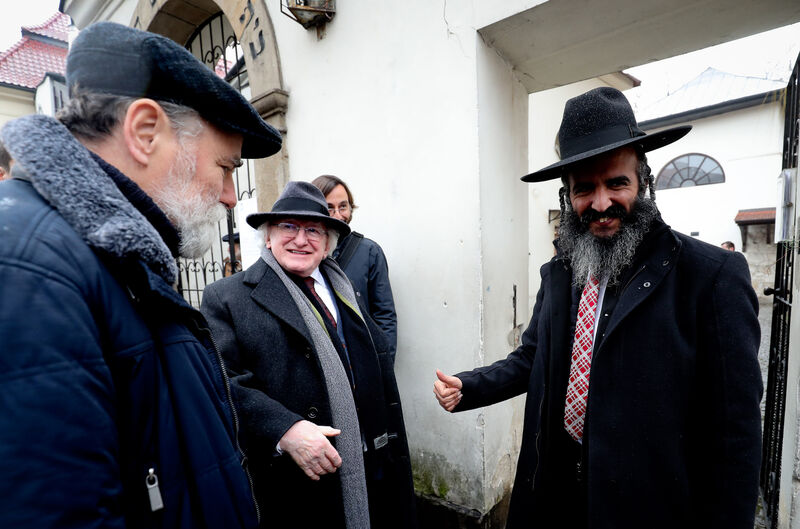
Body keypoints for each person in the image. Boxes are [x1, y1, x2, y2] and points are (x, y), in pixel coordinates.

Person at [433, 87, 762, 528]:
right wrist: (470, 386)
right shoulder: (561, 272)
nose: (601, 204)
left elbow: (735, 434)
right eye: (584, 189)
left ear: (642, 181)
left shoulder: (710, 275)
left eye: (616, 183)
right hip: (560, 500)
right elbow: (533, 357)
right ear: (568, 195)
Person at [0, 22, 282, 529]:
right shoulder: (29, 268)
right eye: (225, 166)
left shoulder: (114, 260)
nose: (229, 196)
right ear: (146, 132)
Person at [201, 181, 417, 529]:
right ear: (268, 237)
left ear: (327, 243)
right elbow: (224, 381)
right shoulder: (226, 297)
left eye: (313, 230)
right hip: (292, 481)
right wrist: (285, 428)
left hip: (367, 463)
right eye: (288, 226)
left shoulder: (343, 288)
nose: (301, 239)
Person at [312, 174, 398, 360]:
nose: (338, 215)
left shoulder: (369, 252)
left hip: (361, 358)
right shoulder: (304, 252)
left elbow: (385, 317)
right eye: (329, 208)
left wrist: (384, 364)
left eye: (343, 206)